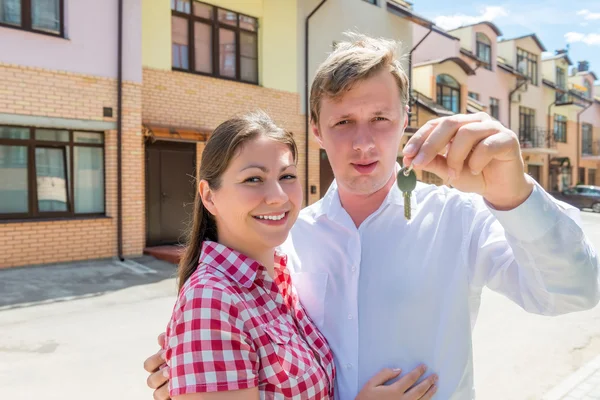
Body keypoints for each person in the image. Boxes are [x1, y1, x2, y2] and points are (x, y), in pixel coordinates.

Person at [145, 33, 600, 399]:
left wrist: (514, 193)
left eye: (380, 118)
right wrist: (193, 373)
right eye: (343, 122)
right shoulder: (283, 236)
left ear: (405, 118)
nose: (362, 142)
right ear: (317, 130)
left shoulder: (459, 218)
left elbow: (574, 294)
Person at [157, 110, 438, 400]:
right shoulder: (210, 300)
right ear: (209, 196)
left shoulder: (280, 277)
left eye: (287, 176)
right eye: (253, 179)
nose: (278, 195)